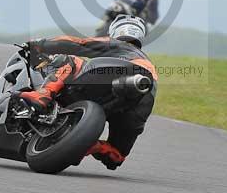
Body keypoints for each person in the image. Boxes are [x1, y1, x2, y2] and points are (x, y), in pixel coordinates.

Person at [19, 15, 157, 170]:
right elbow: (115, 161)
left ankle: (44, 94)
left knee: (72, 61)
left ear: (116, 30)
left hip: (114, 75)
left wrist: (40, 45)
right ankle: (94, 146)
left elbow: (78, 44)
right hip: (145, 97)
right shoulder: (147, 61)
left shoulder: (118, 44)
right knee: (116, 155)